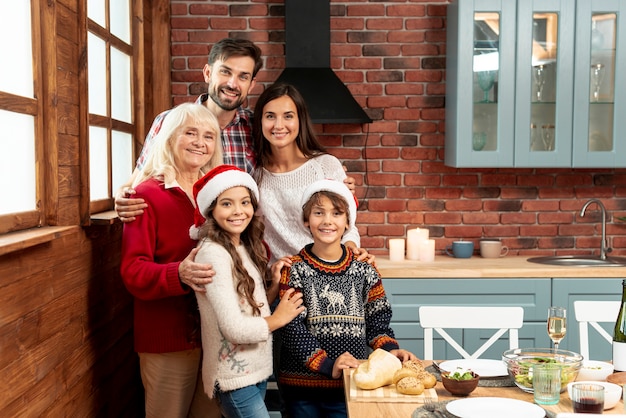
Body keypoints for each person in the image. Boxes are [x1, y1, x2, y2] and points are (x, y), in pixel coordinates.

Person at [115, 37, 356, 223]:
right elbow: (138, 179)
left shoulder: (257, 127)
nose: (232, 83)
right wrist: (122, 196)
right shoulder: (169, 121)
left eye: (243, 77)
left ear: (251, 84)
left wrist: (332, 180)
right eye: (225, 72)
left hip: (239, 247)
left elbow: (285, 171)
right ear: (208, 72)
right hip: (178, 239)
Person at [277, 179, 416, 418]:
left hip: (351, 386)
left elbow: (378, 322)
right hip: (302, 389)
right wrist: (327, 365)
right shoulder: (295, 270)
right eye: (318, 213)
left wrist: (391, 351)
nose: (328, 221)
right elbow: (292, 330)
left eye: (337, 213)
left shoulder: (365, 270)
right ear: (306, 221)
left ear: (347, 222)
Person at [119, 102, 224, 418]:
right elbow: (133, 270)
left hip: (214, 336)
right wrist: (179, 273)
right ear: (168, 137)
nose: (199, 142)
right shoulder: (145, 194)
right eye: (190, 133)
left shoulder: (218, 194)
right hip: (167, 337)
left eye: (208, 136)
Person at [189, 165, 305, 418]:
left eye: (245, 202)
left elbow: (248, 309)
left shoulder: (241, 245)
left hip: (255, 368)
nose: (239, 211)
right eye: (227, 204)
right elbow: (233, 329)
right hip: (233, 376)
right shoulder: (213, 253)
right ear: (212, 209)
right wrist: (279, 318)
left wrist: (272, 288)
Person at [252, 82, 367, 265]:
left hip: (326, 272)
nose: (279, 125)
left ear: (300, 120)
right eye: (270, 116)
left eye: (288, 116)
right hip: (280, 281)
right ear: (260, 120)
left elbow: (347, 224)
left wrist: (352, 249)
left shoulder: (325, 166)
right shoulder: (254, 175)